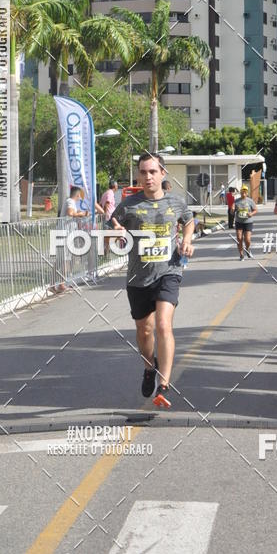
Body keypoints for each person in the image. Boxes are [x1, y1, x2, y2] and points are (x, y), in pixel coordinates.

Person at [110, 153, 194, 409]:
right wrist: (116, 230)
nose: (148, 177)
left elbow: (189, 220)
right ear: (138, 175)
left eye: (153, 172)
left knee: (163, 325)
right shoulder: (129, 205)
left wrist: (187, 240)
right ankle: (149, 368)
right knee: (144, 330)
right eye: (143, 172)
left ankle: (164, 385)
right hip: (138, 277)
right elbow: (112, 223)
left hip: (169, 271)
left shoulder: (176, 202)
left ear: (162, 173)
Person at [231, 185, 257, 260]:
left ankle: (248, 249)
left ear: (247, 192)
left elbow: (255, 210)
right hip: (239, 222)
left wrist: (251, 214)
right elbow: (232, 213)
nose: (244, 193)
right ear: (240, 192)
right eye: (242, 191)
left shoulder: (250, 201)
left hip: (248, 222)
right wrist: (232, 209)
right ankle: (241, 255)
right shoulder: (236, 201)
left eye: (245, 191)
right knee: (239, 238)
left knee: (247, 240)